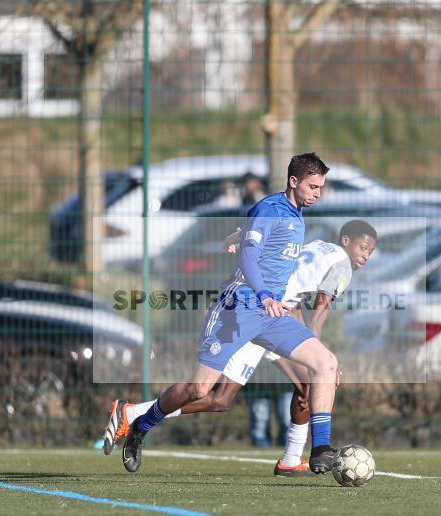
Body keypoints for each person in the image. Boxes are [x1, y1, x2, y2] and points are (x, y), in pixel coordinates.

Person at [109, 152, 342, 475]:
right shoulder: (270, 209)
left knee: (326, 364)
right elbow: (248, 260)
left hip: (272, 315)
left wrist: (238, 236)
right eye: (313, 186)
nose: (318, 193)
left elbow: (263, 246)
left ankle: (320, 450)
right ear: (293, 181)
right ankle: (141, 426)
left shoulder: (295, 214)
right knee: (200, 390)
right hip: (240, 308)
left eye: (321, 187)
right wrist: (262, 294)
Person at [104, 219, 378, 476]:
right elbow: (321, 309)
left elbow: (286, 284)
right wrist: (316, 347)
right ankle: (136, 415)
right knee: (217, 391)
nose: (366, 255)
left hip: (265, 314)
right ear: (346, 241)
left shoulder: (317, 245)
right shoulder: (342, 264)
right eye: (362, 247)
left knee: (225, 399)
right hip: (259, 315)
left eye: (371, 251)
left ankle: (291, 460)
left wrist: (238, 237)